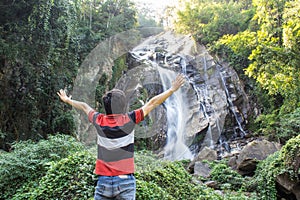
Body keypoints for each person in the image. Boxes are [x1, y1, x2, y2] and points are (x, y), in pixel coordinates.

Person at [57, 74, 186, 200]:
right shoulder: (130, 119)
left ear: (106, 106)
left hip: (104, 181)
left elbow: (84, 106)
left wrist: (68, 100)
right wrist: (171, 89)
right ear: (124, 106)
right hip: (125, 181)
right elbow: (152, 103)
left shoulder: (98, 120)